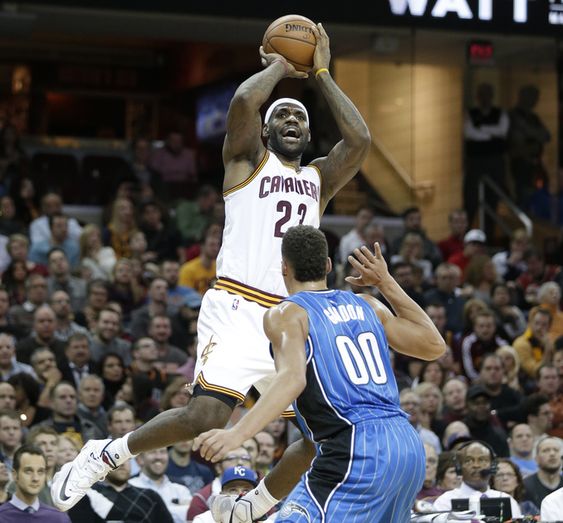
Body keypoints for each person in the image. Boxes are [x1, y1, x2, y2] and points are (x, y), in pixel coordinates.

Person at [51, 22, 372, 514]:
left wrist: (322, 73)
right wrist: (281, 68)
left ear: (309, 133)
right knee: (205, 416)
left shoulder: (319, 179)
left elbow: (360, 141)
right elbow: (243, 104)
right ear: (266, 130)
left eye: (299, 118)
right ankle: (107, 454)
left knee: (322, 438)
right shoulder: (246, 162)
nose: (291, 120)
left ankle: (252, 507)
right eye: (282, 114)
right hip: (239, 305)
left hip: (290, 318)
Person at [195, 225, 445, 522]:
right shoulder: (368, 304)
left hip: (354, 447)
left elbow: (292, 378)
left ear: (284, 267)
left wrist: (237, 433)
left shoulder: (286, 313)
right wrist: (386, 282)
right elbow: (434, 345)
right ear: (328, 265)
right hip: (407, 445)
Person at [432, 440, 522, 517]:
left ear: (493, 466)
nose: (476, 465)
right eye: (469, 461)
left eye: (482, 460)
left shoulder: (508, 501)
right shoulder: (445, 502)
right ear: (459, 467)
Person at [0, 444, 70, 522]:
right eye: (28, 471)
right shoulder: (2, 516)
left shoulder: (59, 518)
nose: (35, 478)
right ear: (15, 475)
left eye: (40, 472)